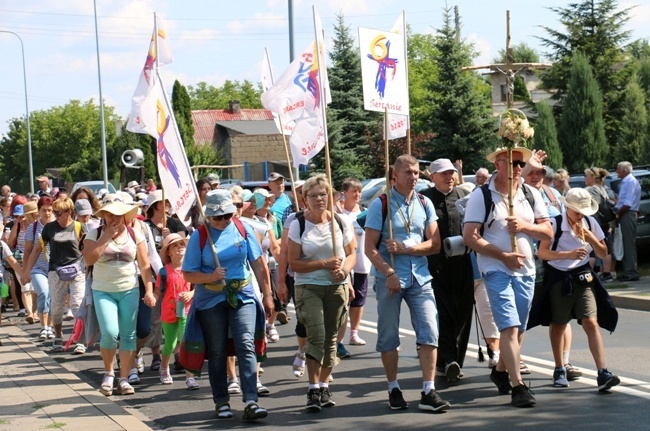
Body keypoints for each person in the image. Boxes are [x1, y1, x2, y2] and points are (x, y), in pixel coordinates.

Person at [462, 147, 552, 408]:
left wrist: (524, 227)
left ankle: (500, 370)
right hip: (495, 270)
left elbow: (547, 232)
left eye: (519, 162)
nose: (516, 167)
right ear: (498, 164)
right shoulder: (482, 195)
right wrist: (502, 256)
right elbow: (470, 236)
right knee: (509, 328)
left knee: (519, 329)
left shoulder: (530, 193)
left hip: (526, 271)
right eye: (511, 162)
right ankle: (518, 386)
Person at [364, 154, 450, 413]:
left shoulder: (424, 203)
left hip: (420, 278)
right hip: (390, 279)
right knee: (389, 336)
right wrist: (389, 272)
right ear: (395, 176)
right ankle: (393, 387)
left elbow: (434, 244)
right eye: (408, 173)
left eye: (416, 172)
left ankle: (428, 390)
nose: (414, 177)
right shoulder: (381, 204)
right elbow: (369, 248)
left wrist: (406, 248)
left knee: (430, 332)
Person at [182, 189, 273, 421]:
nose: (223, 221)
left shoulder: (244, 229)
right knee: (218, 350)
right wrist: (210, 276)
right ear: (209, 216)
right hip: (211, 299)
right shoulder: (200, 237)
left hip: (242, 293)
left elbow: (259, 264)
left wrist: (268, 295)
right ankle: (221, 401)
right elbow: (188, 274)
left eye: (227, 215)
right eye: (218, 217)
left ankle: (251, 401)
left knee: (245, 344)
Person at [535, 188, 620, 392]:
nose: (580, 215)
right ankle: (559, 368)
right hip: (560, 277)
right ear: (567, 207)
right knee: (559, 323)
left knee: (591, 321)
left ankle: (602, 372)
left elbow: (603, 253)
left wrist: (590, 236)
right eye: (576, 211)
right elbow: (543, 253)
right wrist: (568, 254)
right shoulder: (554, 224)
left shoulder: (590, 223)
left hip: (583, 276)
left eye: (583, 211)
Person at [287, 174, 356, 412]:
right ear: (305, 198)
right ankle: (313, 389)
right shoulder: (298, 223)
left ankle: (324, 386)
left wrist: (344, 272)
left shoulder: (340, 221)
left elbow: (352, 254)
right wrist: (324, 263)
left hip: (335, 288)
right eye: (313, 195)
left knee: (331, 340)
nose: (319, 199)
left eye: (323, 194)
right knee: (316, 336)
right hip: (308, 287)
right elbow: (293, 263)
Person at [83, 194, 156, 396]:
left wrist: (149, 290)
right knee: (109, 333)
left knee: (128, 336)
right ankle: (108, 373)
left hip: (129, 289)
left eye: (119, 215)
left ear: (126, 216)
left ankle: (124, 378)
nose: (115, 219)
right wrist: (105, 237)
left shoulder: (135, 235)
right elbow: (88, 259)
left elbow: (145, 265)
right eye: (110, 214)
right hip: (103, 289)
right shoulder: (94, 233)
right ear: (104, 215)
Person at [523, 154, 581, 381]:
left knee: (562, 315)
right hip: (529, 262)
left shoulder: (552, 194)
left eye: (540, 173)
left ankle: (564, 362)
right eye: (531, 172)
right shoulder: (515, 195)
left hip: (556, 262)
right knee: (521, 314)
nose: (537, 177)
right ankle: (511, 358)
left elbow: (570, 221)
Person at [421, 159, 473, 384]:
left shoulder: (463, 195)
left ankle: (455, 360)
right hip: (435, 266)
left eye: (452, 173)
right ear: (432, 177)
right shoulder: (424, 199)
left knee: (462, 312)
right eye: (443, 174)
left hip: (462, 264)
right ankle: (447, 359)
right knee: (443, 313)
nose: (449, 177)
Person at [22, 198, 87, 353]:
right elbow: (37, 249)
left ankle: (80, 339)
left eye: (59, 212)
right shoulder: (49, 228)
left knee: (77, 305)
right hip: (56, 270)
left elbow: (86, 249)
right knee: (57, 309)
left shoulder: (79, 226)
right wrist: (26, 272)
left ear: (69, 211)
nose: (55, 215)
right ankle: (58, 335)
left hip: (77, 269)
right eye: (55, 212)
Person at [143, 190, 188, 371]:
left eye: (169, 201)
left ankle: (177, 353)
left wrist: (171, 236)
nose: (168, 204)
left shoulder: (174, 222)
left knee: (179, 316)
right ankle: (155, 354)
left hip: (177, 275)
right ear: (155, 205)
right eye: (165, 202)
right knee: (156, 319)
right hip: (156, 276)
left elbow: (185, 242)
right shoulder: (145, 225)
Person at [154, 233, 199, 390]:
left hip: (187, 311)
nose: (180, 247)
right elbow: (157, 291)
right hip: (169, 312)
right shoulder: (164, 271)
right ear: (168, 252)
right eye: (175, 245)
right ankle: (164, 368)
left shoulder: (191, 269)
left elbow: (198, 287)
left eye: (182, 244)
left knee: (186, 343)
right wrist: (151, 297)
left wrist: (191, 294)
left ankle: (190, 376)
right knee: (170, 344)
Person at [337, 178, 371, 348]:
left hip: (362, 263)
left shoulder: (365, 213)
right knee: (343, 301)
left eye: (359, 191)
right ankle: (338, 339)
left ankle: (354, 333)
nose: (357, 194)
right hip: (345, 263)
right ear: (345, 193)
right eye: (354, 191)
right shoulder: (340, 215)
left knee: (359, 299)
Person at [22, 198, 55, 342]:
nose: (47, 213)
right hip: (37, 268)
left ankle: (50, 327)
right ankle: (43, 326)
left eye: (50, 210)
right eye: (44, 210)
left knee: (54, 297)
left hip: (55, 268)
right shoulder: (33, 228)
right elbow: (28, 250)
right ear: (38, 211)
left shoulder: (58, 226)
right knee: (43, 292)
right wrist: (25, 271)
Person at [584, 167, 617, 282]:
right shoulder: (603, 188)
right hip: (605, 221)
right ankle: (606, 273)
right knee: (605, 247)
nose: (585, 178)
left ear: (592, 178)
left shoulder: (590, 190)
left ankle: (589, 275)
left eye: (586, 176)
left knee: (591, 250)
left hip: (594, 222)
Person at [614, 161, 641, 282]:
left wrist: (618, 214)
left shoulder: (630, 182)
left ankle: (632, 273)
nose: (616, 172)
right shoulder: (626, 182)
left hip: (627, 214)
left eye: (618, 169)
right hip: (625, 213)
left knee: (628, 244)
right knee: (624, 243)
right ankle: (628, 271)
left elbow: (628, 203)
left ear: (624, 170)